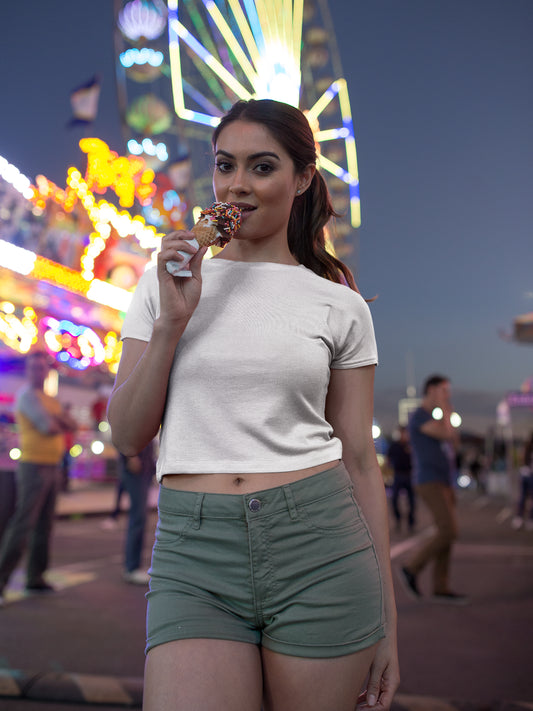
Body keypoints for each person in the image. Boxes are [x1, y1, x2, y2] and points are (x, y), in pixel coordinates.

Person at [108, 98, 399, 711]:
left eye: (262, 167)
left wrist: (388, 622)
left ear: (300, 179)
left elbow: (361, 463)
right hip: (194, 546)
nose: (237, 185)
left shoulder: (340, 306)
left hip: (320, 540)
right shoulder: (163, 284)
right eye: (225, 165)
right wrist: (172, 322)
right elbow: (127, 435)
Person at [0, 351, 77, 606]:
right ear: (28, 370)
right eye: (33, 367)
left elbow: (71, 423)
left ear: (47, 371)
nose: (37, 372)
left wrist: (60, 419)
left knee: (44, 526)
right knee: (23, 524)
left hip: (52, 466)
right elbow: (50, 427)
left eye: (41, 367)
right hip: (33, 466)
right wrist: (60, 419)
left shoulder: (49, 399)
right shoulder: (27, 396)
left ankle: (36, 579)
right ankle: (1, 581)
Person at [400, 374, 467, 604]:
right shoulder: (419, 415)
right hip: (428, 480)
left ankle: (441, 585)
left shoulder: (435, 417)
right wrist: (445, 410)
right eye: (444, 390)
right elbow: (447, 434)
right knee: (449, 529)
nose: (447, 395)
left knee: (445, 532)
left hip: (444, 480)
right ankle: (411, 567)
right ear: (431, 390)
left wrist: (444, 411)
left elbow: (455, 442)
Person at [119, 441, 156, 584]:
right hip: (136, 467)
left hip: (144, 466)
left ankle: (134, 566)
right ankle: (131, 567)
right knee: (138, 518)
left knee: (140, 518)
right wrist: (130, 456)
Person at [386, 426, 415, 532]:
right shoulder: (394, 446)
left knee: (412, 501)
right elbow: (388, 459)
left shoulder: (411, 445)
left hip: (409, 475)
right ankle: (398, 520)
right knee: (394, 500)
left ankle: (411, 523)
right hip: (398, 475)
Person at [511, 431, 533, 530]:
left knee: (523, 498)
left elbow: (521, 460)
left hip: (525, 474)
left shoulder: (527, 447)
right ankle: (525, 519)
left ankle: (520, 518)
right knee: (525, 498)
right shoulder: (527, 448)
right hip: (528, 475)